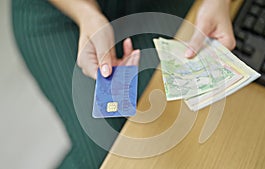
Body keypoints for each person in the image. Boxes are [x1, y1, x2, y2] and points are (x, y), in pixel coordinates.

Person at [12, 0, 235, 168]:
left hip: (156, 3)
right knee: (103, 154)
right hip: (60, 11)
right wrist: (87, 16)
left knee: (178, 122)